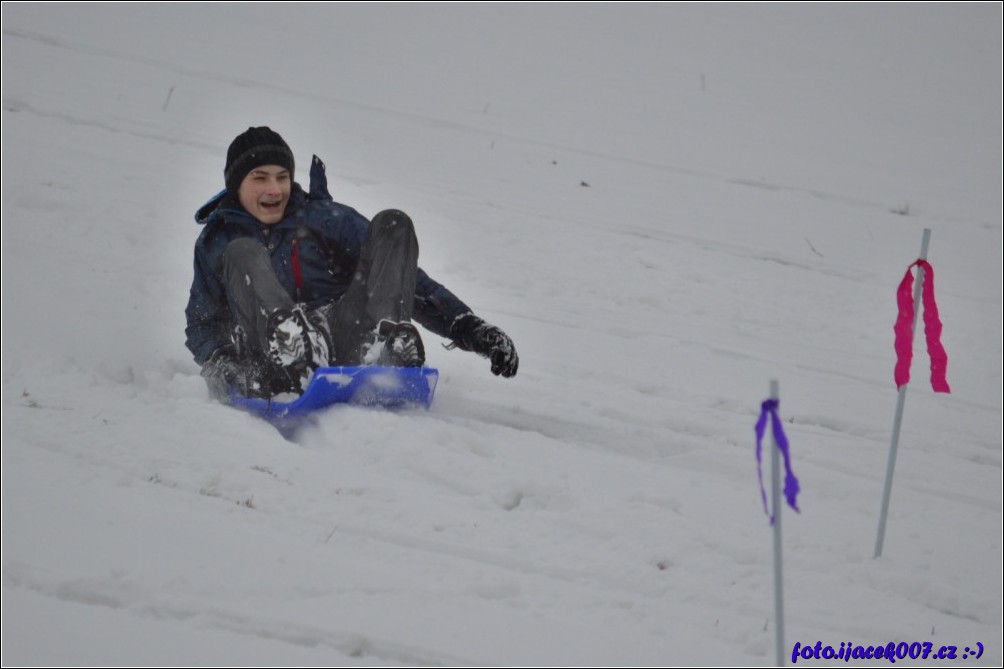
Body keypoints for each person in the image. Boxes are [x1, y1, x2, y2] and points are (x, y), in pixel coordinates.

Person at [185, 126, 518, 400]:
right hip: (268, 354)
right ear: (236, 185)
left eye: (282, 177)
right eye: (260, 178)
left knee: (393, 223)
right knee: (243, 251)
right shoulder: (218, 241)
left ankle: (384, 345)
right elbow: (202, 321)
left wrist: (469, 328)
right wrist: (221, 361)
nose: (274, 189)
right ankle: (292, 348)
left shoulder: (322, 219)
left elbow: (401, 276)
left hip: (344, 333)